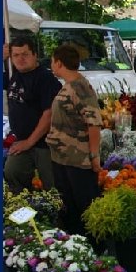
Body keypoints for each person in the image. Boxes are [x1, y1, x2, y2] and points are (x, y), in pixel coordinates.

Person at [44, 45, 103, 241]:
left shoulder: (80, 87)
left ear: (59, 62)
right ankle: (75, 243)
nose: (52, 65)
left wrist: (94, 156)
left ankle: (92, 244)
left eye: (52, 61)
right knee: (68, 204)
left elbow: (94, 124)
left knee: (84, 204)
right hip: (63, 157)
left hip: (78, 158)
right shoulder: (68, 85)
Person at [3, 34, 62, 193]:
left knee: (53, 187)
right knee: (12, 173)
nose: (20, 59)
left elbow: (49, 114)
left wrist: (29, 142)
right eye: (15, 55)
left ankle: (58, 215)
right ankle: (27, 211)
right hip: (22, 142)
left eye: (25, 54)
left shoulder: (45, 78)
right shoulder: (13, 75)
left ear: (35, 55)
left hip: (45, 144)